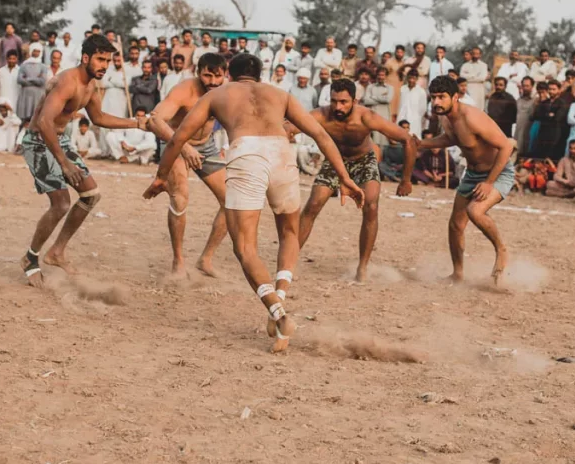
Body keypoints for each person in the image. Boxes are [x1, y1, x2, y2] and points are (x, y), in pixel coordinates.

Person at [144, 52, 364, 352]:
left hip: (247, 153)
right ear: (260, 76)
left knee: (245, 247)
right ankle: (281, 297)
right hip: (282, 153)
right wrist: (346, 178)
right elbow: (320, 135)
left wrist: (160, 176)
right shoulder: (279, 94)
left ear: (229, 75)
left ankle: (278, 311)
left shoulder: (219, 94)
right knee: (289, 232)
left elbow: (178, 138)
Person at [19, 35, 147, 286]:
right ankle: (30, 258)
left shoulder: (90, 85)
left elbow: (98, 118)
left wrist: (136, 123)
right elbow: (45, 122)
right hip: (38, 141)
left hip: (60, 140)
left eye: (108, 60)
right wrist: (65, 163)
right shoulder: (68, 81)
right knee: (62, 204)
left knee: (91, 195)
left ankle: (56, 252)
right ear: (86, 58)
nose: (104, 65)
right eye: (100, 59)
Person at [296, 79, 416, 282]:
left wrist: (406, 179)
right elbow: (289, 127)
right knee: (313, 204)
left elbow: (407, 139)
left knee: (371, 205)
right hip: (336, 161)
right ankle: (290, 259)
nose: (338, 107)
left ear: (355, 100)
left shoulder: (367, 117)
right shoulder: (320, 115)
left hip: (364, 160)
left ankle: (362, 267)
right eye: (334, 101)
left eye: (343, 102)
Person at [417, 75, 516, 287]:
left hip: (498, 173)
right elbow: (451, 139)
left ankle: (501, 249)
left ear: (455, 97)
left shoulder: (472, 117)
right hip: (471, 175)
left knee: (475, 211)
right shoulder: (444, 117)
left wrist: (489, 182)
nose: (436, 102)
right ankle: (458, 274)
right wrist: (421, 143)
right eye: (433, 97)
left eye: (441, 97)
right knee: (455, 225)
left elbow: (506, 146)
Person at [145, 53, 230, 277]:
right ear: (198, 73)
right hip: (176, 144)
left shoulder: (227, 91)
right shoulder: (185, 90)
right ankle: (178, 261)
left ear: (225, 75)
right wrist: (183, 146)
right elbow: (155, 119)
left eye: (217, 76)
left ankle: (206, 259)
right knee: (180, 198)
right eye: (207, 76)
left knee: (232, 201)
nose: (212, 81)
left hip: (207, 146)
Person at [362, 67, 394, 146]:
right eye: (379, 75)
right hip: (372, 115)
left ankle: (383, 157)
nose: (380, 77)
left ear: (386, 76)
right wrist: (381, 98)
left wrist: (374, 97)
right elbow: (366, 101)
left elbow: (388, 100)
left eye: (383, 75)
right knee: (373, 140)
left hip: (384, 116)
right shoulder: (370, 87)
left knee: (384, 139)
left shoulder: (390, 88)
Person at [16, 44, 48, 121]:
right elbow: (19, 80)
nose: (36, 53)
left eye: (38, 51)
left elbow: (42, 81)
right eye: (34, 51)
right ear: (31, 51)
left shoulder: (43, 66)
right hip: (25, 95)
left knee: (36, 117)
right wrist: (36, 79)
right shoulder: (24, 65)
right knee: (24, 118)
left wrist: (28, 78)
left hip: (37, 95)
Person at [513, 76, 536, 153]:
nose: (525, 88)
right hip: (518, 132)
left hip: (529, 132)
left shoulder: (535, 101)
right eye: (524, 86)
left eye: (527, 86)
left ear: (532, 86)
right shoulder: (518, 100)